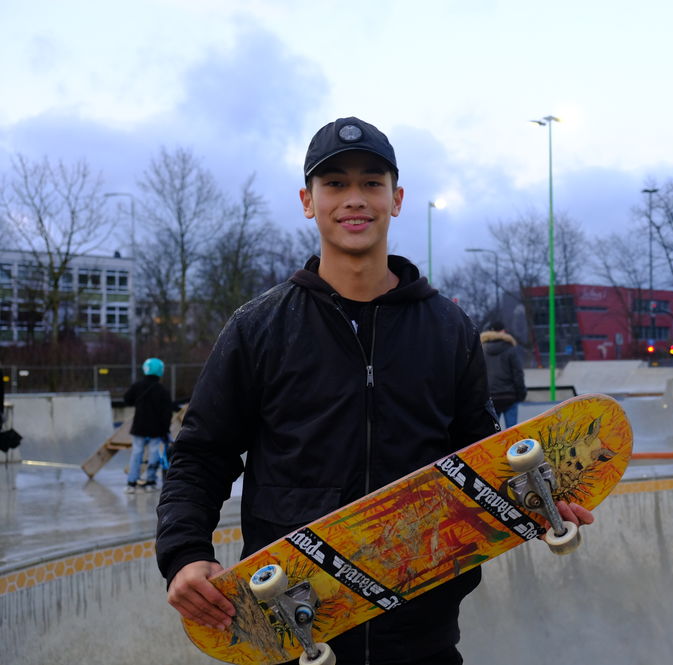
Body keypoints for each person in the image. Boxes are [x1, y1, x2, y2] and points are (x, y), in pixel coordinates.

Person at [155, 117, 592, 665]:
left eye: (371, 183)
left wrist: (543, 500)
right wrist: (185, 554)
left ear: (397, 198)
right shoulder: (260, 328)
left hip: (422, 628)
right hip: (293, 622)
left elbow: (481, 459)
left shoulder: (448, 329)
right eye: (335, 184)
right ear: (308, 201)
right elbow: (202, 454)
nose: (354, 199)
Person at [123, 357, 174, 493]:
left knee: (136, 453)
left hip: (139, 426)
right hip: (156, 429)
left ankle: (131, 483)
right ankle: (151, 481)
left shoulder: (137, 386)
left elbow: (127, 400)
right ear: (160, 371)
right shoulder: (162, 390)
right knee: (154, 454)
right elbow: (167, 413)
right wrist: (165, 430)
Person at [481, 321, 526, 428]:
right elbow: (518, 373)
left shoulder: (482, 349)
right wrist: (521, 394)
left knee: (492, 432)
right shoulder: (510, 348)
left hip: (490, 396)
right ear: (504, 331)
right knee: (512, 430)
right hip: (509, 395)